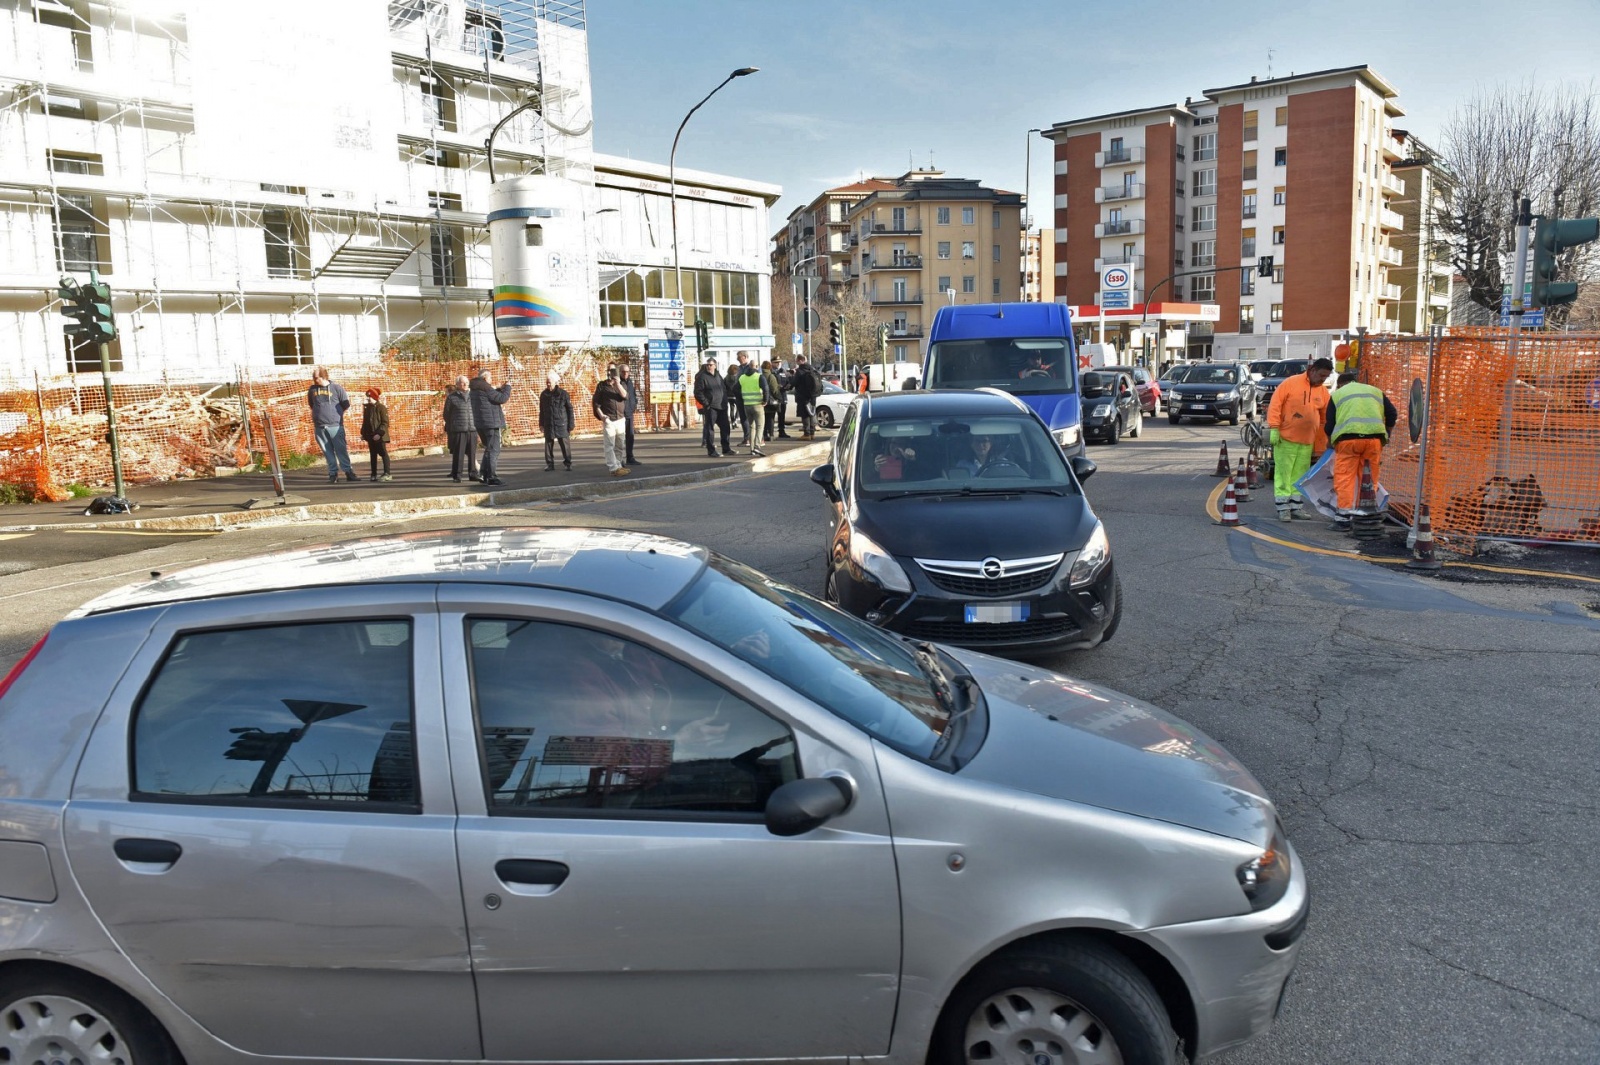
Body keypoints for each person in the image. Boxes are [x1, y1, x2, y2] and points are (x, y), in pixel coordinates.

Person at [1323, 372, 1398, 528]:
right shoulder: (1375, 391)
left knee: (1345, 477)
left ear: (1341, 384)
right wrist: (1388, 432)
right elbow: (1392, 413)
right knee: (1368, 478)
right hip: (1374, 440)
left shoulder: (1338, 395)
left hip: (1348, 441)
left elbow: (1330, 424)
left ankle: (1344, 517)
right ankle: (1365, 513)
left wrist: (1329, 441)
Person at [1266, 356, 1332, 521]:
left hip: (1306, 441)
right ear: (1313, 370)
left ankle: (1295, 507)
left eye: (1326, 377)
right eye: (1321, 375)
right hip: (1286, 438)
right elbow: (1275, 404)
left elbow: (1325, 418)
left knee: (1300, 476)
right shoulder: (1291, 383)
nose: (1323, 379)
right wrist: (1274, 427)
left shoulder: (1322, 391)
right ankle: (1283, 508)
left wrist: (1321, 442)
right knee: (1284, 474)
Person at [306, 367, 357, 483]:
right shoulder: (312, 390)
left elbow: (346, 404)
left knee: (341, 449)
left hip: (335, 425)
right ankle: (333, 474)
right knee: (327, 451)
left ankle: (348, 472)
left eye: (316, 377)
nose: (314, 380)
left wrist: (335, 416)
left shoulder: (336, 388)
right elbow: (311, 404)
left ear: (323, 376)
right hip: (320, 426)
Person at [469, 367, 512, 486]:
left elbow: (491, 396)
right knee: (494, 450)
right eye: (490, 377)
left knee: (488, 449)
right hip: (491, 423)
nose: (491, 380)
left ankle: (483, 474)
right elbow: (502, 398)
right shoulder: (485, 388)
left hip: (480, 424)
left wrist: (499, 389)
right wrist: (507, 387)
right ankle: (492, 476)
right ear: (484, 378)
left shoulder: (475, 388)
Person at [592, 365, 630, 477]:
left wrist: (617, 383)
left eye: (613, 370)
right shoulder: (602, 385)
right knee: (609, 444)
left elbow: (625, 396)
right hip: (609, 419)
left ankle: (618, 466)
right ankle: (613, 467)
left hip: (620, 418)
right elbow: (596, 403)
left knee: (620, 444)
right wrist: (602, 415)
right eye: (609, 370)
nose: (611, 373)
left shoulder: (621, 384)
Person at [694, 357, 731, 457]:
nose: (709, 366)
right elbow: (698, 392)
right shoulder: (702, 377)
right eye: (707, 365)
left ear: (715, 365)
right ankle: (711, 451)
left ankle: (726, 448)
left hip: (722, 406)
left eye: (711, 365)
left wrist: (725, 400)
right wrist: (706, 403)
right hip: (711, 407)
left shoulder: (718, 375)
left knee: (726, 428)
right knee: (710, 428)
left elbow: (723, 388)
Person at [443, 375, 477, 482]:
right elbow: (446, 414)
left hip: (472, 428)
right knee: (459, 454)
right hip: (459, 430)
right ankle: (457, 475)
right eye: (462, 383)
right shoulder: (452, 397)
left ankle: (473, 474)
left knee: (472, 453)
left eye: (466, 382)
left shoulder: (473, 396)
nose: (465, 384)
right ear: (457, 384)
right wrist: (453, 424)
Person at [538, 370, 574, 471]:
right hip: (548, 423)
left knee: (564, 445)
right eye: (547, 382)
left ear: (555, 382)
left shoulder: (563, 394)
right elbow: (542, 410)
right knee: (548, 445)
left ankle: (568, 463)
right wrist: (541, 424)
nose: (548, 384)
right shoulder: (543, 395)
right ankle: (550, 464)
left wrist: (571, 424)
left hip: (561, 423)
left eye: (550, 382)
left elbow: (569, 409)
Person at [737, 357, 769, 457]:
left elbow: (735, 389)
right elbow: (766, 389)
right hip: (758, 405)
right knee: (760, 426)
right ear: (756, 366)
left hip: (747, 405)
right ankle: (757, 446)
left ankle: (751, 448)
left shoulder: (742, 377)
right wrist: (765, 400)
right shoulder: (759, 376)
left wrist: (742, 398)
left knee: (751, 426)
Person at [358, 386, 391, 482]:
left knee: (383, 453)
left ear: (375, 397)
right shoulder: (367, 408)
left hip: (380, 436)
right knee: (373, 455)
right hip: (370, 436)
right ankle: (373, 474)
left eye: (370, 397)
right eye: (367, 397)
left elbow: (385, 423)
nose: (368, 399)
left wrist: (379, 434)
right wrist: (363, 433)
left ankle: (387, 473)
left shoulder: (381, 408)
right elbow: (366, 422)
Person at [792, 354, 822, 441]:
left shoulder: (800, 371)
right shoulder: (812, 369)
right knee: (812, 413)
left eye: (797, 361)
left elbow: (794, 382)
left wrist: (792, 377)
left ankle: (807, 434)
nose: (796, 363)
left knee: (804, 414)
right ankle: (812, 433)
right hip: (813, 396)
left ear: (800, 361)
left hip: (803, 396)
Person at [618, 362, 642, 467]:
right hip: (620, 414)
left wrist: (634, 404)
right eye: (623, 372)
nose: (625, 374)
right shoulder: (618, 383)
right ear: (620, 372)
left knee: (630, 436)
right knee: (619, 438)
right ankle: (618, 459)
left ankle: (630, 457)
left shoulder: (630, 382)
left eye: (627, 372)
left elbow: (633, 395)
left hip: (629, 413)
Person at [760, 360, 783, 442]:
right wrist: (779, 398)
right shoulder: (771, 376)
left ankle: (764, 434)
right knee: (771, 418)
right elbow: (774, 390)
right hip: (771, 401)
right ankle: (771, 434)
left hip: (762, 400)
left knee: (764, 418)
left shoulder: (760, 376)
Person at [724, 358, 746, 443]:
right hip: (736, 395)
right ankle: (736, 420)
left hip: (729, 396)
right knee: (738, 409)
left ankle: (733, 421)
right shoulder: (738, 377)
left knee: (732, 408)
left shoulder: (726, 377)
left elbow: (724, 386)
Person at [772, 360, 793, 439]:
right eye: (776, 362)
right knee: (771, 416)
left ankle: (782, 431)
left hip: (783, 396)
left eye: (779, 362)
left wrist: (788, 386)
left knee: (782, 416)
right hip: (774, 397)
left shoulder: (783, 371)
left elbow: (788, 381)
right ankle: (769, 432)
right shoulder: (771, 372)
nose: (778, 364)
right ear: (772, 363)